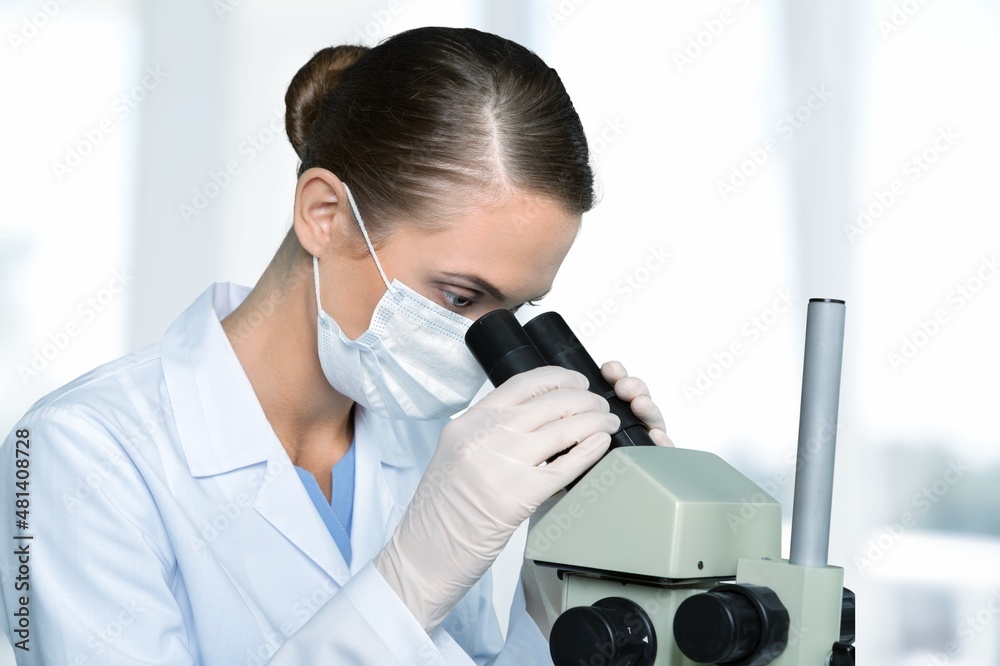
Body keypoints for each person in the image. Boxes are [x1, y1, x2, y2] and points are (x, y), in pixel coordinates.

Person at [0, 26, 672, 664]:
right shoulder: (76, 451)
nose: (482, 345)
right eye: (462, 298)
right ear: (325, 215)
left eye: (516, 309)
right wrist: (408, 582)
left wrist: (574, 571)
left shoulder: (420, 440)